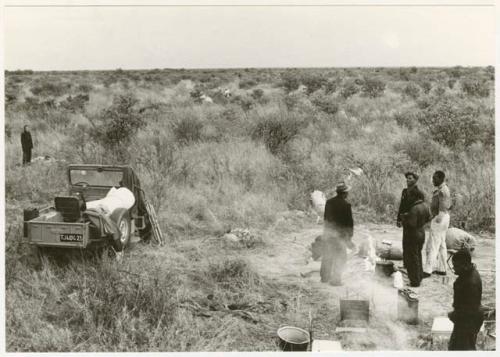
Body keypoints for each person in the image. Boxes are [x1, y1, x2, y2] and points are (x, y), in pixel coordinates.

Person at [448, 248, 483, 350]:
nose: (454, 269)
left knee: (463, 349)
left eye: (456, 266)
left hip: (468, 323)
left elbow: (468, 310)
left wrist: (454, 315)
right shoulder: (469, 273)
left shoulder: (470, 283)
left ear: (465, 265)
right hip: (466, 320)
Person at [320, 182, 354, 286]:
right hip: (340, 236)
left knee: (327, 254)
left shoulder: (329, 202)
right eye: (347, 192)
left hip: (329, 233)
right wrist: (349, 238)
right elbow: (349, 223)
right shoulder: (346, 205)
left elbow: (326, 219)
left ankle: (324, 278)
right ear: (344, 193)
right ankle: (336, 280)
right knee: (341, 257)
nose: (347, 194)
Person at [423, 170, 451, 277]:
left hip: (440, 217)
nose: (433, 180)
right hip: (443, 217)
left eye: (435, 178)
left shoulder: (442, 191)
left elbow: (443, 207)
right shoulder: (443, 189)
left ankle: (427, 270)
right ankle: (442, 269)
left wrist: (436, 219)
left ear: (440, 178)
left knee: (433, 244)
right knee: (442, 244)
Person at [400, 189, 431, 287]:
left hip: (413, 234)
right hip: (421, 232)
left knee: (412, 258)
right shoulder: (426, 206)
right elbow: (429, 218)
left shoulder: (414, 208)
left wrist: (405, 218)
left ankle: (414, 281)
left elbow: (411, 224)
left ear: (414, 197)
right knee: (418, 255)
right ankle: (419, 275)